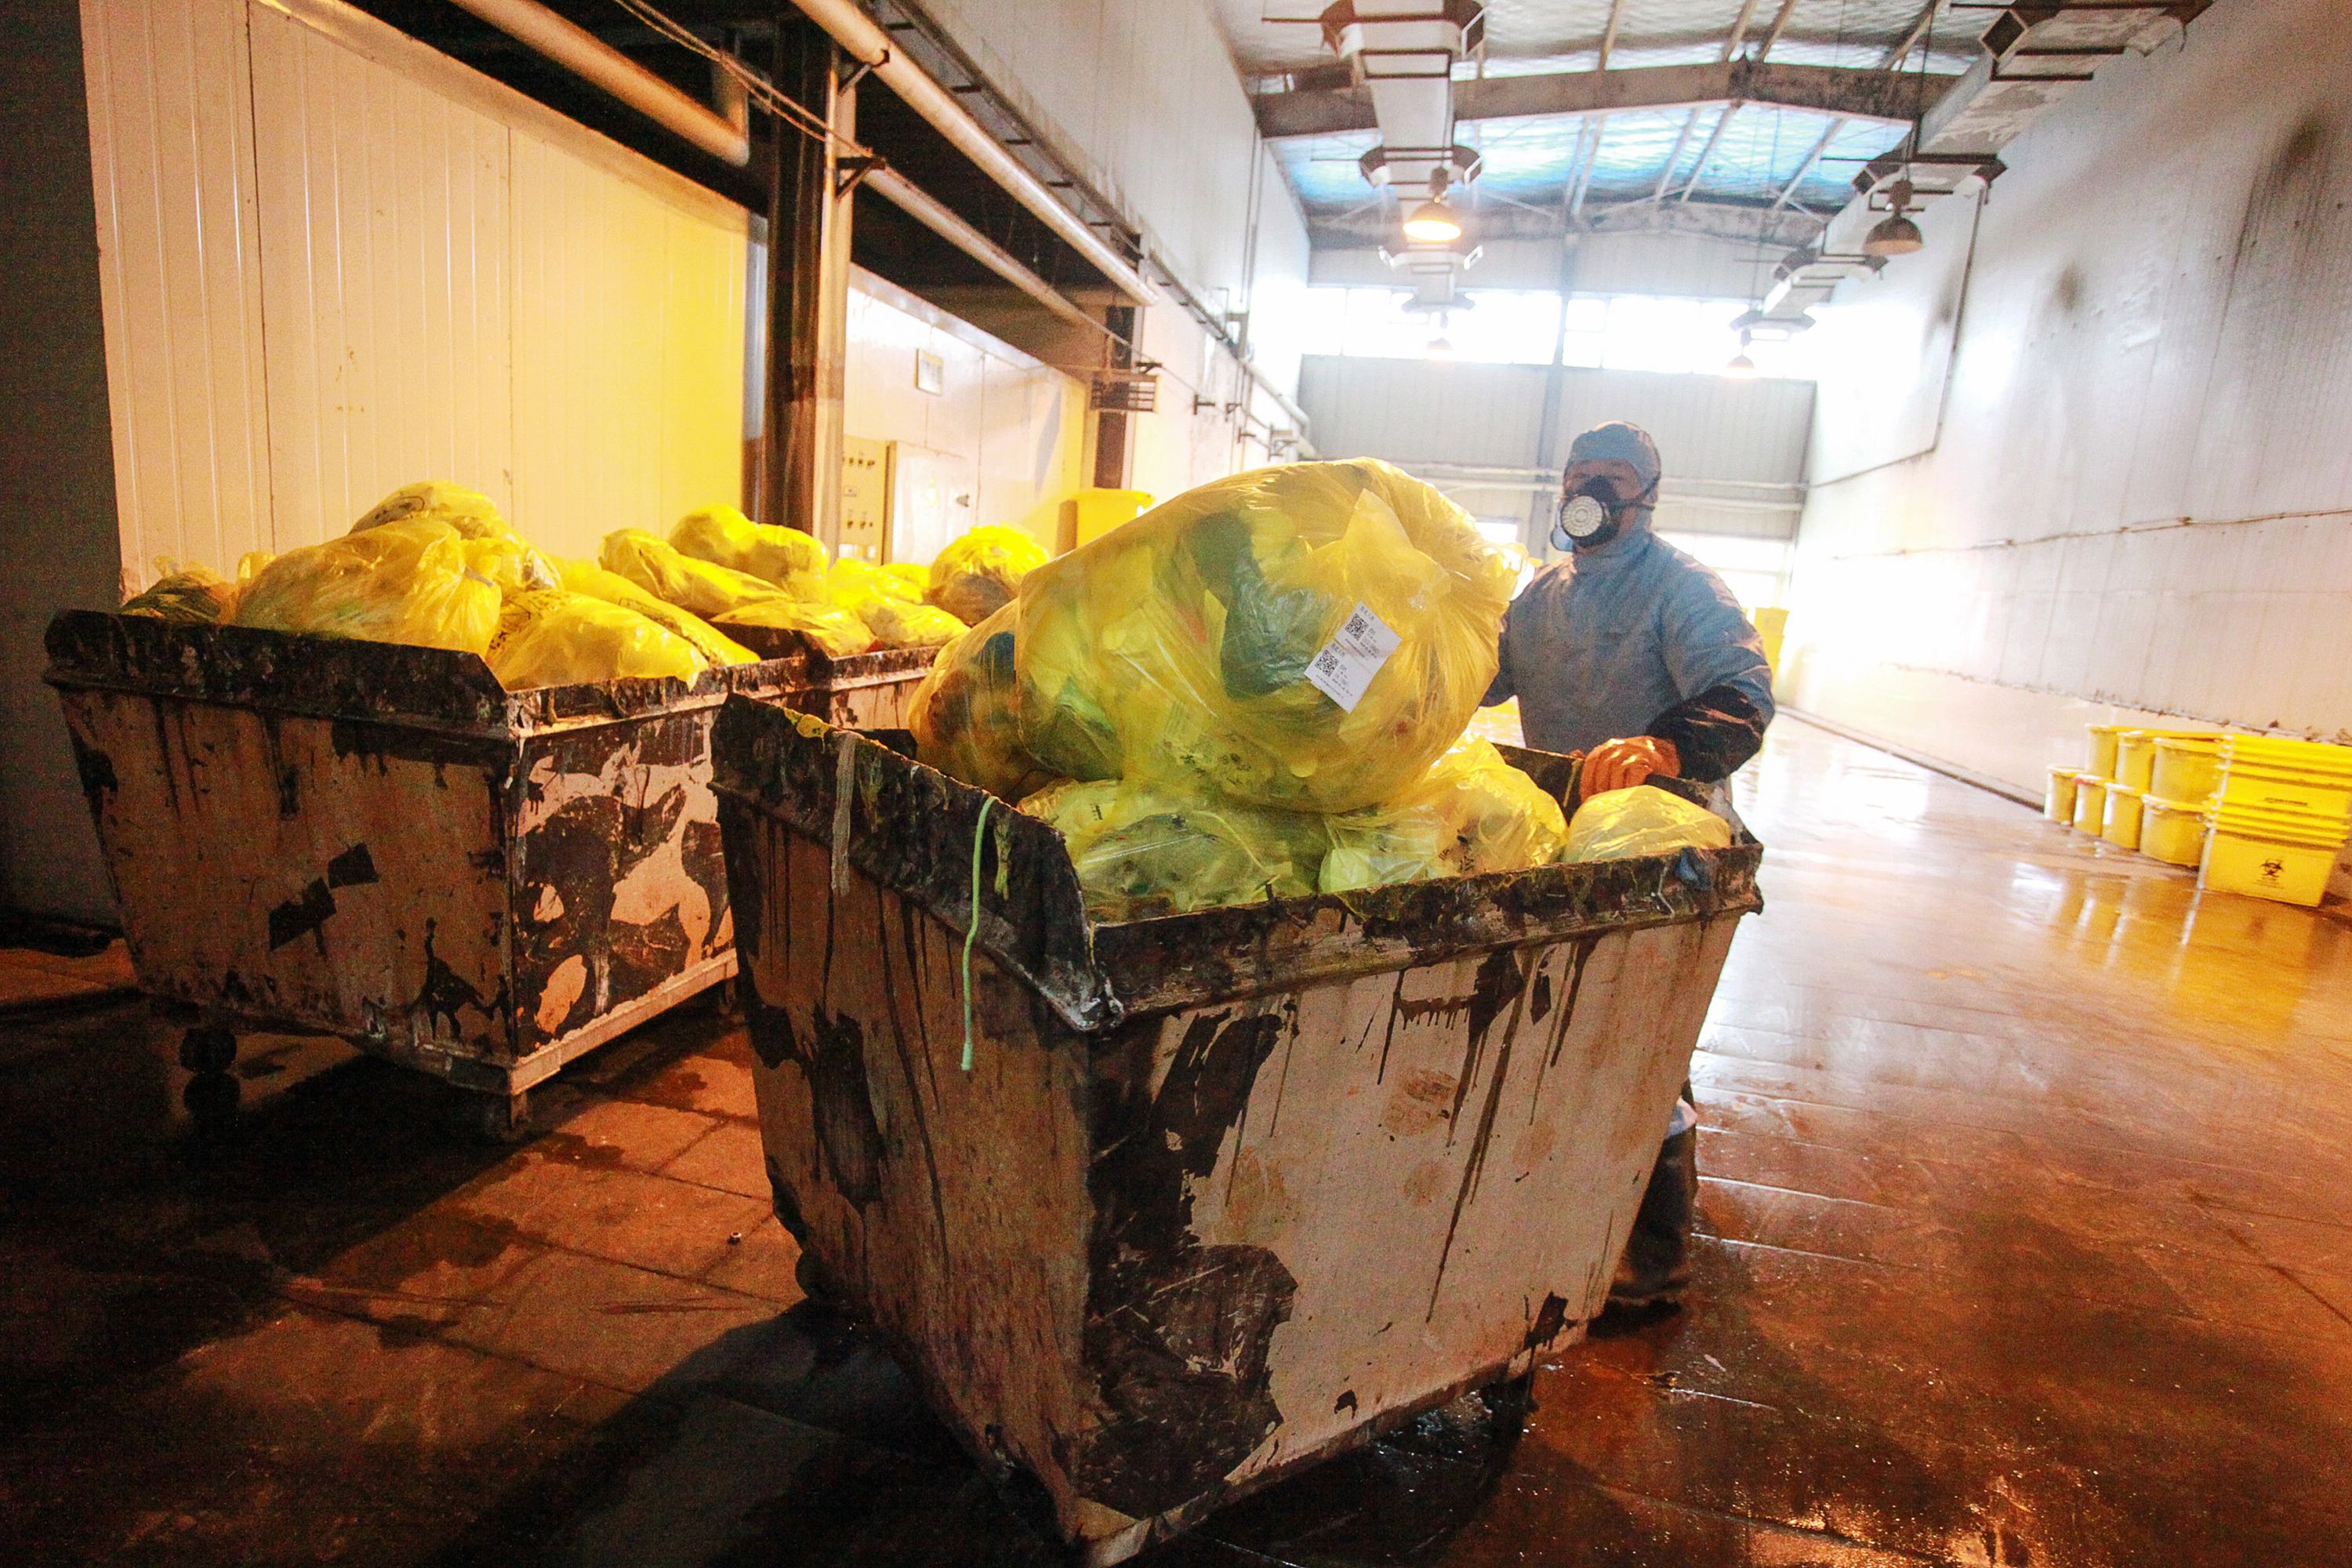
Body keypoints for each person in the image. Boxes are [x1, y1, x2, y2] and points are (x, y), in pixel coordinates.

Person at [1483, 420, 1775, 1315]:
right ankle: (1575, 1210)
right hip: (1573, 847)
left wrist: (1661, 745)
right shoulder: (1540, 597)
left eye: (1611, 478)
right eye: (1579, 475)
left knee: (1647, 1048)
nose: (1591, 493)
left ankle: (1651, 1262)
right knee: (1575, 1035)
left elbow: (1744, 698)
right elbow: (1479, 677)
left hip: (1665, 853)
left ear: (1647, 494)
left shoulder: (1683, 590)